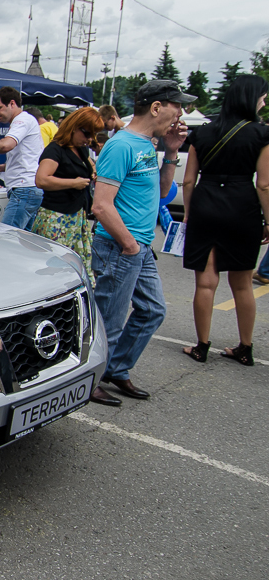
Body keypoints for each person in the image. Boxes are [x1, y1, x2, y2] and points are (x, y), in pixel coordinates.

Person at [89, 79, 193, 406]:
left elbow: (163, 193)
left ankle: (116, 369)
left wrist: (173, 152)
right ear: (157, 107)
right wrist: (130, 245)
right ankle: (88, 379)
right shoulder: (121, 146)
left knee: (152, 311)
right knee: (109, 321)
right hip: (122, 247)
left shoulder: (147, 144)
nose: (181, 113)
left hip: (140, 247)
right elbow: (101, 205)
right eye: (177, 106)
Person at [180, 75, 269, 366]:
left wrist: (191, 213)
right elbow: (264, 184)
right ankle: (244, 348)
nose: (264, 101)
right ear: (250, 98)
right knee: (242, 283)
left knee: (205, 283)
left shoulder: (202, 133)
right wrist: (268, 220)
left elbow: (189, 180)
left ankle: (201, 346)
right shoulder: (261, 133)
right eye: (262, 96)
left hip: (206, 204)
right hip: (242, 206)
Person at [31, 107, 103, 276]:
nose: (89, 139)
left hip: (76, 217)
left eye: (93, 135)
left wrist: (93, 171)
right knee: (54, 268)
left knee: (73, 269)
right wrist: (73, 183)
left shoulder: (81, 149)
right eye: (87, 134)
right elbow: (41, 179)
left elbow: (88, 163)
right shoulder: (55, 150)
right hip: (56, 218)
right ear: (74, 127)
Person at [0, 87, 45, 230]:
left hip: (24, 188)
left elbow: (6, 145)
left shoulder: (22, 121)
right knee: (21, 242)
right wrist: (1, 168)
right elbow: (27, 158)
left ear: (12, 104)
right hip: (29, 188)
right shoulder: (27, 120)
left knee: (7, 238)